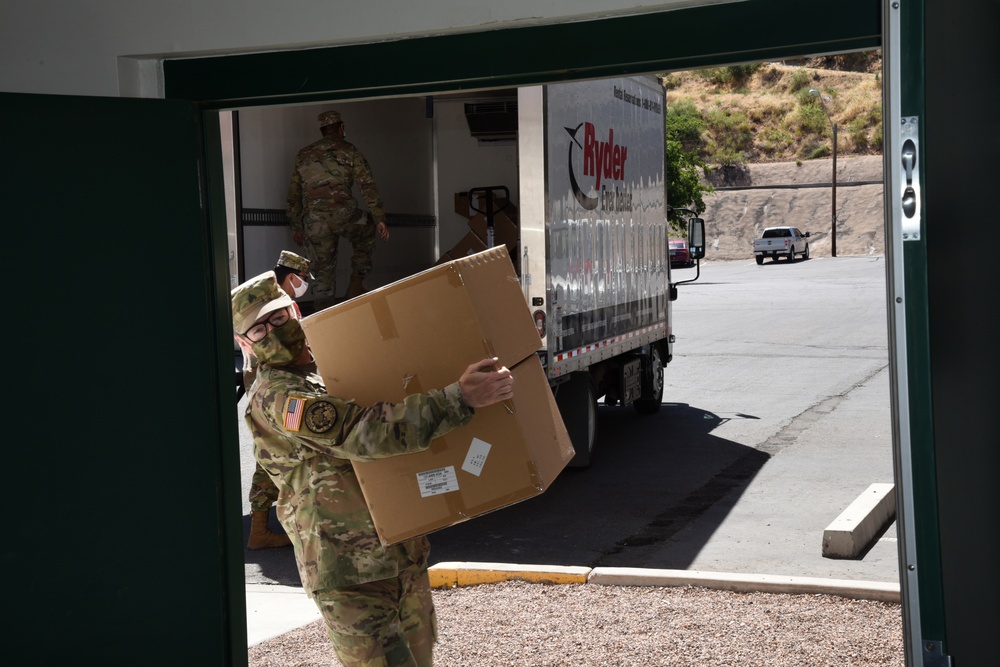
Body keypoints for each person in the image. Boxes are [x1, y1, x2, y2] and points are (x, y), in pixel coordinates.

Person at [231, 271, 513, 666]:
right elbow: (360, 432)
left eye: (277, 318)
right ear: (245, 343)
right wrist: (458, 399)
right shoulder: (278, 395)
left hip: (401, 550)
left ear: (295, 309)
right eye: (258, 331)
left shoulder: (328, 366)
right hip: (349, 573)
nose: (273, 332)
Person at [240, 250, 315, 550]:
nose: (305, 285)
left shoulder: (280, 304)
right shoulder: (269, 307)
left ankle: (268, 525)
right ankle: (259, 530)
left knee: (282, 449)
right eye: (303, 280)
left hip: (274, 381)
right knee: (272, 452)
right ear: (292, 277)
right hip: (270, 382)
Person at [286, 109, 391, 308]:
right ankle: (356, 283)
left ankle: (324, 316)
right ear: (342, 128)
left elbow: (294, 194)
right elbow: (367, 185)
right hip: (344, 216)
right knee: (367, 228)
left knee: (321, 272)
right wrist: (379, 218)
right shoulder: (350, 151)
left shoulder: (303, 155)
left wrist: (297, 226)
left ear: (322, 130)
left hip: (314, 221)